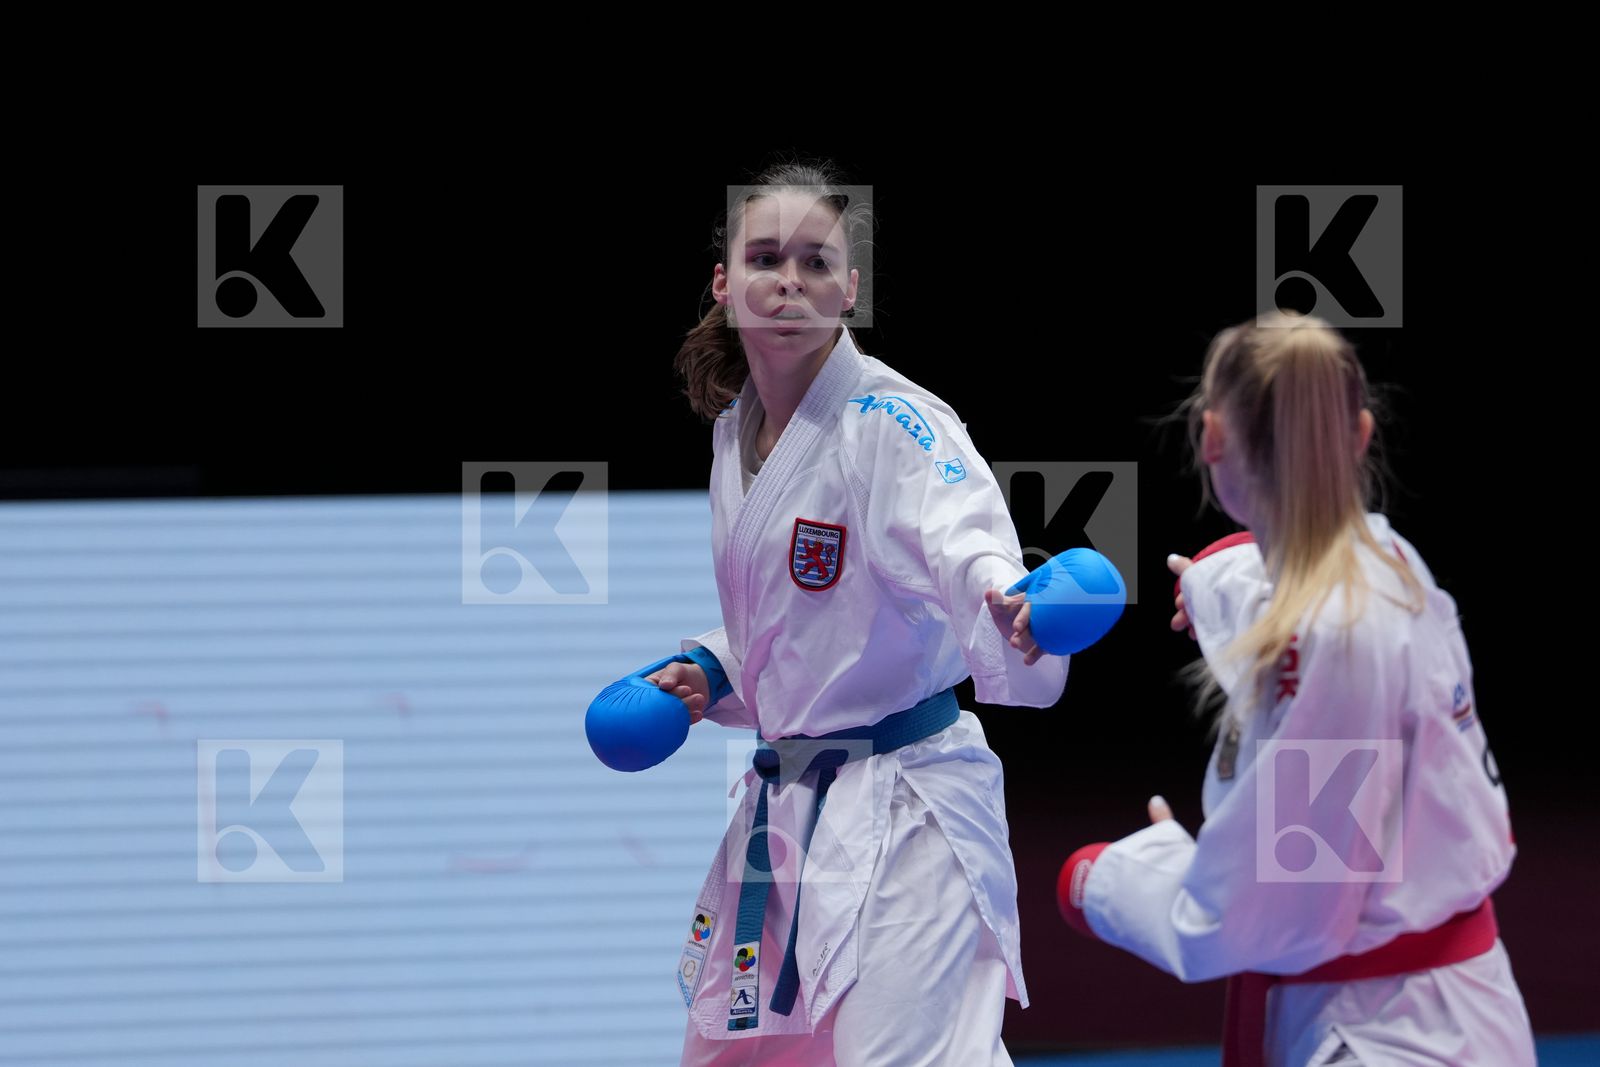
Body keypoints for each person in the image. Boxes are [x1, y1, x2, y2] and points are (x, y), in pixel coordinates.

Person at [644, 157, 1069, 1066]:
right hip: (789, 802)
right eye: (766, 257)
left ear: (850, 290)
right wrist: (714, 670)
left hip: (909, 806)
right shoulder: (736, 430)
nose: (790, 280)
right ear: (724, 284)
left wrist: (1006, 596)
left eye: (816, 262)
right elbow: (808, 616)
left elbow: (962, 539)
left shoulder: (893, 421)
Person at [1057, 311, 1536, 1066]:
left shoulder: (1335, 640)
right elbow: (1275, 577)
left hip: (1391, 1038)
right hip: (1436, 1011)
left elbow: (1275, 917)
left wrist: (1107, 879)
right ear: (1361, 435)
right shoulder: (1389, 558)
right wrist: (1211, 578)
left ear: (1212, 437)